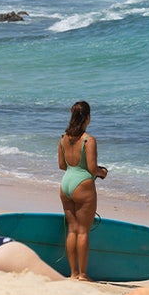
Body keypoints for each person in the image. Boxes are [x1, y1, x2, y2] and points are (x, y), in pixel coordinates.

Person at [58, 100, 107, 281]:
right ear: (87, 117)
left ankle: (73, 273)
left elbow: (62, 165)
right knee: (83, 231)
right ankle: (83, 274)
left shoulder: (63, 138)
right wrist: (103, 173)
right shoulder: (89, 140)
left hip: (66, 183)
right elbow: (93, 168)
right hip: (83, 184)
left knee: (72, 230)